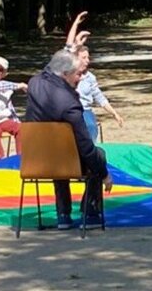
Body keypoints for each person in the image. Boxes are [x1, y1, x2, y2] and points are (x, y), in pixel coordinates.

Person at [25, 48, 113, 230]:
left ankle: (63, 215)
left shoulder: (34, 83)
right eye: (78, 74)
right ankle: (91, 212)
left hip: (34, 160)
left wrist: (71, 47)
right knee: (97, 154)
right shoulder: (70, 103)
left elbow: (50, 67)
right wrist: (104, 174)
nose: (80, 78)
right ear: (65, 74)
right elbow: (86, 147)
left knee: (58, 153)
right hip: (64, 162)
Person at [65, 11, 125, 142]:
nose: (87, 60)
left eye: (88, 57)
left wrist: (114, 113)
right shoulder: (68, 72)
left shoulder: (90, 77)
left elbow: (100, 97)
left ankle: (90, 153)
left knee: (90, 125)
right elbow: (68, 47)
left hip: (85, 110)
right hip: (69, 110)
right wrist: (76, 23)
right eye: (84, 57)